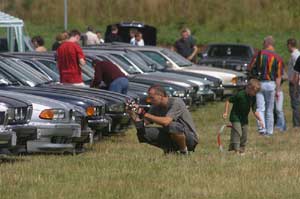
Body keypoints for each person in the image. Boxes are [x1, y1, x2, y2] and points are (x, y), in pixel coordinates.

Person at [127, 85, 199, 155]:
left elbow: (166, 122)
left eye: (152, 98)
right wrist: (132, 113)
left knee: (172, 126)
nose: (149, 100)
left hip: (189, 139)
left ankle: (183, 152)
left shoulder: (176, 102)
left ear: (161, 96)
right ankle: (170, 150)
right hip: (171, 136)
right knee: (143, 132)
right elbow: (143, 124)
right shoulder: (155, 106)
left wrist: (144, 114)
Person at [249, 36, 284, 136]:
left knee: (260, 108)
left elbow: (250, 67)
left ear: (266, 43)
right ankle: (270, 131)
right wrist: (278, 90)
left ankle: (261, 129)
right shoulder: (277, 58)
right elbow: (278, 76)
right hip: (271, 84)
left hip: (259, 84)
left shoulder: (259, 54)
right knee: (270, 109)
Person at [223, 79, 264, 153]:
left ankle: (241, 150)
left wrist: (260, 120)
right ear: (249, 88)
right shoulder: (240, 94)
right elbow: (228, 101)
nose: (255, 94)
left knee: (244, 135)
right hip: (235, 117)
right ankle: (236, 150)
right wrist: (225, 112)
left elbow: (254, 111)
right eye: (255, 92)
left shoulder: (253, 97)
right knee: (238, 132)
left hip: (244, 118)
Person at [287, 38, 300, 128]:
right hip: (296, 82)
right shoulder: (297, 54)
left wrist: (295, 83)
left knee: (295, 104)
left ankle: (297, 124)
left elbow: (297, 71)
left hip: (296, 83)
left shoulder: (295, 56)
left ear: (289, 45)